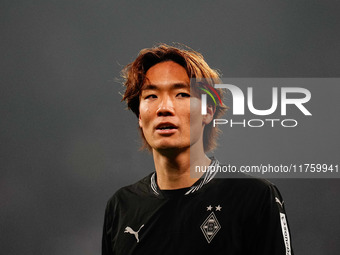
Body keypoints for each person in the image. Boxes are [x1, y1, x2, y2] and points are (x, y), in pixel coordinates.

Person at [102, 44, 294, 254]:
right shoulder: (122, 207)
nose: (164, 108)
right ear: (140, 115)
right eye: (151, 96)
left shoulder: (254, 197)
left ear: (208, 111)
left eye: (182, 94)